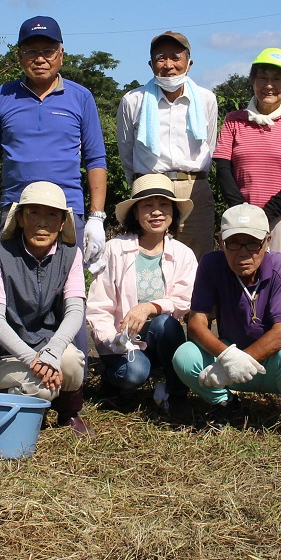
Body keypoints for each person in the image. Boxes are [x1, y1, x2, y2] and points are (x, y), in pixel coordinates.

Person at [172, 204, 281, 440]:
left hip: (274, 362)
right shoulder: (211, 265)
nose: (243, 252)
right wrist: (228, 358)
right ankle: (225, 403)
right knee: (185, 356)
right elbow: (197, 323)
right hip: (230, 356)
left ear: (267, 241)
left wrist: (239, 362)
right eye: (234, 243)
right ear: (221, 241)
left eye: (252, 243)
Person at [0, 16, 109, 271]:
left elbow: (95, 158)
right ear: (19, 56)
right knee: (8, 287)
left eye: (48, 51)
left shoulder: (81, 97)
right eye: (31, 51)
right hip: (15, 209)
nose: (40, 59)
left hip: (67, 211)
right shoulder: (2, 96)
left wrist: (96, 217)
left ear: (61, 54)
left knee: (69, 290)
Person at [0, 182, 91, 435]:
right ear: (19, 218)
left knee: (73, 362)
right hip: (5, 355)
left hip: (48, 345)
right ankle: (24, 404)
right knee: (43, 388)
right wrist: (33, 360)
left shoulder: (71, 255)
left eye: (52, 214)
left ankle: (68, 413)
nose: (43, 223)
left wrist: (52, 353)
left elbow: (75, 310)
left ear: (63, 222)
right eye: (34, 213)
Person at [85, 174, 197, 410]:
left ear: (173, 212)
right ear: (135, 212)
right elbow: (99, 306)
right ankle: (114, 378)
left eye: (164, 204)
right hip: (122, 342)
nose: (156, 212)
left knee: (165, 322)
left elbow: (184, 300)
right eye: (148, 205)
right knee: (133, 374)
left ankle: (177, 395)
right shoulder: (115, 249)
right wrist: (112, 341)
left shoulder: (183, 253)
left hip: (162, 339)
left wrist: (149, 307)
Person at [213, 47, 281, 280]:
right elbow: (223, 168)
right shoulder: (233, 120)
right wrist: (243, 210)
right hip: (242, 217)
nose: (269, 85)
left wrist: (268, 213)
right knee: (241, 282)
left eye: (278, 79)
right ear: (252, 81)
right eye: (263, 77)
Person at [115, 31, 219, 256]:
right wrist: (141, 183)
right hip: (150, 188)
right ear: (151, 64)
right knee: (150, 255)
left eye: (176, 57)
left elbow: (209, 146)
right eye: (161, 58)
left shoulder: (206, 99)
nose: (169, 65)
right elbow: (126, 150)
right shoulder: (133, 101)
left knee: (198, 259)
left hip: (195, 188)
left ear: (189, 63)